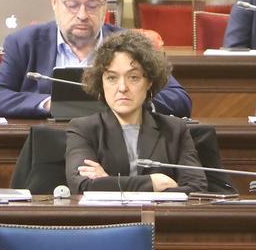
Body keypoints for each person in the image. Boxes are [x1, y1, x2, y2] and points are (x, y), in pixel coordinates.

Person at [0, 0, 192, 119]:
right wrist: (49, 103)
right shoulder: (24, 42)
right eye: (72, 5)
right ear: (54, 2)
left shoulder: (131, 44)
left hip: (113, 146)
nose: (82, 15)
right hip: (47, 143)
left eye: (92, 5)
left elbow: (180, 99)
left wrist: (130, 101)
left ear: (105, 5)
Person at [65, 31, 206, 194]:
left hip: (162, 218)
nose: (123, 88)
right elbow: (83, 186)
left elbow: (196, 188)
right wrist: (152, 183)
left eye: (133, 77)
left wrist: (108, 182)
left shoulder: (175, 129)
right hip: (108, 220)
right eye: (112, 78)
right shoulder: (83, 129)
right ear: (101, 83)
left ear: (149, 82)